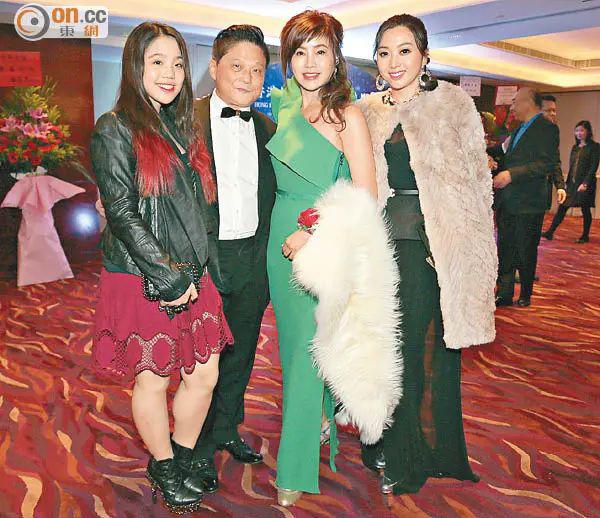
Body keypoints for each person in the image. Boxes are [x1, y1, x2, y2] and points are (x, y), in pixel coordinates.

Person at [90, 22, 233, 513]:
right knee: (153, 378)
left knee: (204, 374)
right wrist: (166, 275)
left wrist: (201, 268)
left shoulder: (182, 126)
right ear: (136, 67)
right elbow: (122, 212)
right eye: (157, 62)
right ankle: (164, 465)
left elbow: (196, 207)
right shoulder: (115, 127)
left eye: (177, 63)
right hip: (143, 274)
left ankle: (184, 455)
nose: (170, 73)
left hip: (192, 271)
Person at [357, 13, 497, 495]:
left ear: (424, 55)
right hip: (382, 243)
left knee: (425, 351)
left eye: (404, 51)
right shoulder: (367, 110)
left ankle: (420, 454)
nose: (393, 61)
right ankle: (391, 444)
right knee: (389, 350)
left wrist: (473, 253)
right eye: (384, 52)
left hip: (435, 245)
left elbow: (477, 182)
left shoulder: (452, 103)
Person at [265, 10, 395, 507]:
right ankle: (320, 415)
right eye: (299, 52)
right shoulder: (286, 107)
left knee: (304, 353)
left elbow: (366, 195)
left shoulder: (348, 115)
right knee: (296, 348)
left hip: (322, 244)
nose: (309, 62)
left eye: (320, 51)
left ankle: (294, 466)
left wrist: (310, 230)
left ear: (336, 57)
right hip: (277, 243)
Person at [190, 25, 277, 493]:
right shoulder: (184, 120)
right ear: (214, 67)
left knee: (240, 355)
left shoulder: (267, 129)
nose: (247, 77)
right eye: (237, 66)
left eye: (257, 70)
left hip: (252, 259)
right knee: (200, 364)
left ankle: (226, 428)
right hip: (202, 259)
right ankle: (196, 449)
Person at [493, 87, 560, 307]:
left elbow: (545, 164)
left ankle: (525, 294)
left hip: (528, 203)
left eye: (515, 102)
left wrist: (512, 175)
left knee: (525, 249)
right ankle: (504, 292)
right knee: (505, 247)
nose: (512, 107)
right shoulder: (518, 129)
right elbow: (504, 154)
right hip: (508, 201)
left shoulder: (547, 128)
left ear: (528, 103)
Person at [542, 120, 599, 243]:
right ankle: (550, 232)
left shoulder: (594, 147)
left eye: (582, 130)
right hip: (572, 184)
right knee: (563, 207)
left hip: (586, 184)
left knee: (585, 209)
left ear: (588, 132)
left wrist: (585, 183)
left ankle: (585, 236)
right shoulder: (575, 147)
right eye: (577, 130)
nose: (579, 133)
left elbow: (593, 167)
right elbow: (572, 167)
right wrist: (566, 184)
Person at [540, 95, 567, 209]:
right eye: (548, 110)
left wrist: (560, 186)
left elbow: (555, 161)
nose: (552, 114)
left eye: (554, 110)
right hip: (524, 193)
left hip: (543, 190)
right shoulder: (524, 131)